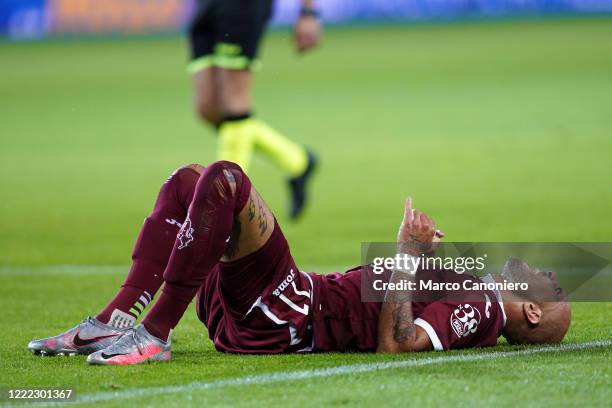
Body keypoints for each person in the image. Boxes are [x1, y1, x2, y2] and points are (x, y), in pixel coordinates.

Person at [28, 162, 571, 363]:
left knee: (226, 182)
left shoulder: (481, 308)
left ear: (528, 313)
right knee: (190, 182)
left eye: (554, 289)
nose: (552, 276)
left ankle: (153, 333)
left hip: (290, 313)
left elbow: (396, 346)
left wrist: (405, 258)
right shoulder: (475, 285)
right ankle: (115, 323)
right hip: (279, 306)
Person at [188, 0, 321, 218]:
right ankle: (299, 161)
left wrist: (308, 12)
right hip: (207, 5)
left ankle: (226, 207)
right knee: (207, 108)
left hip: (243, 6)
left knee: (234, 105)